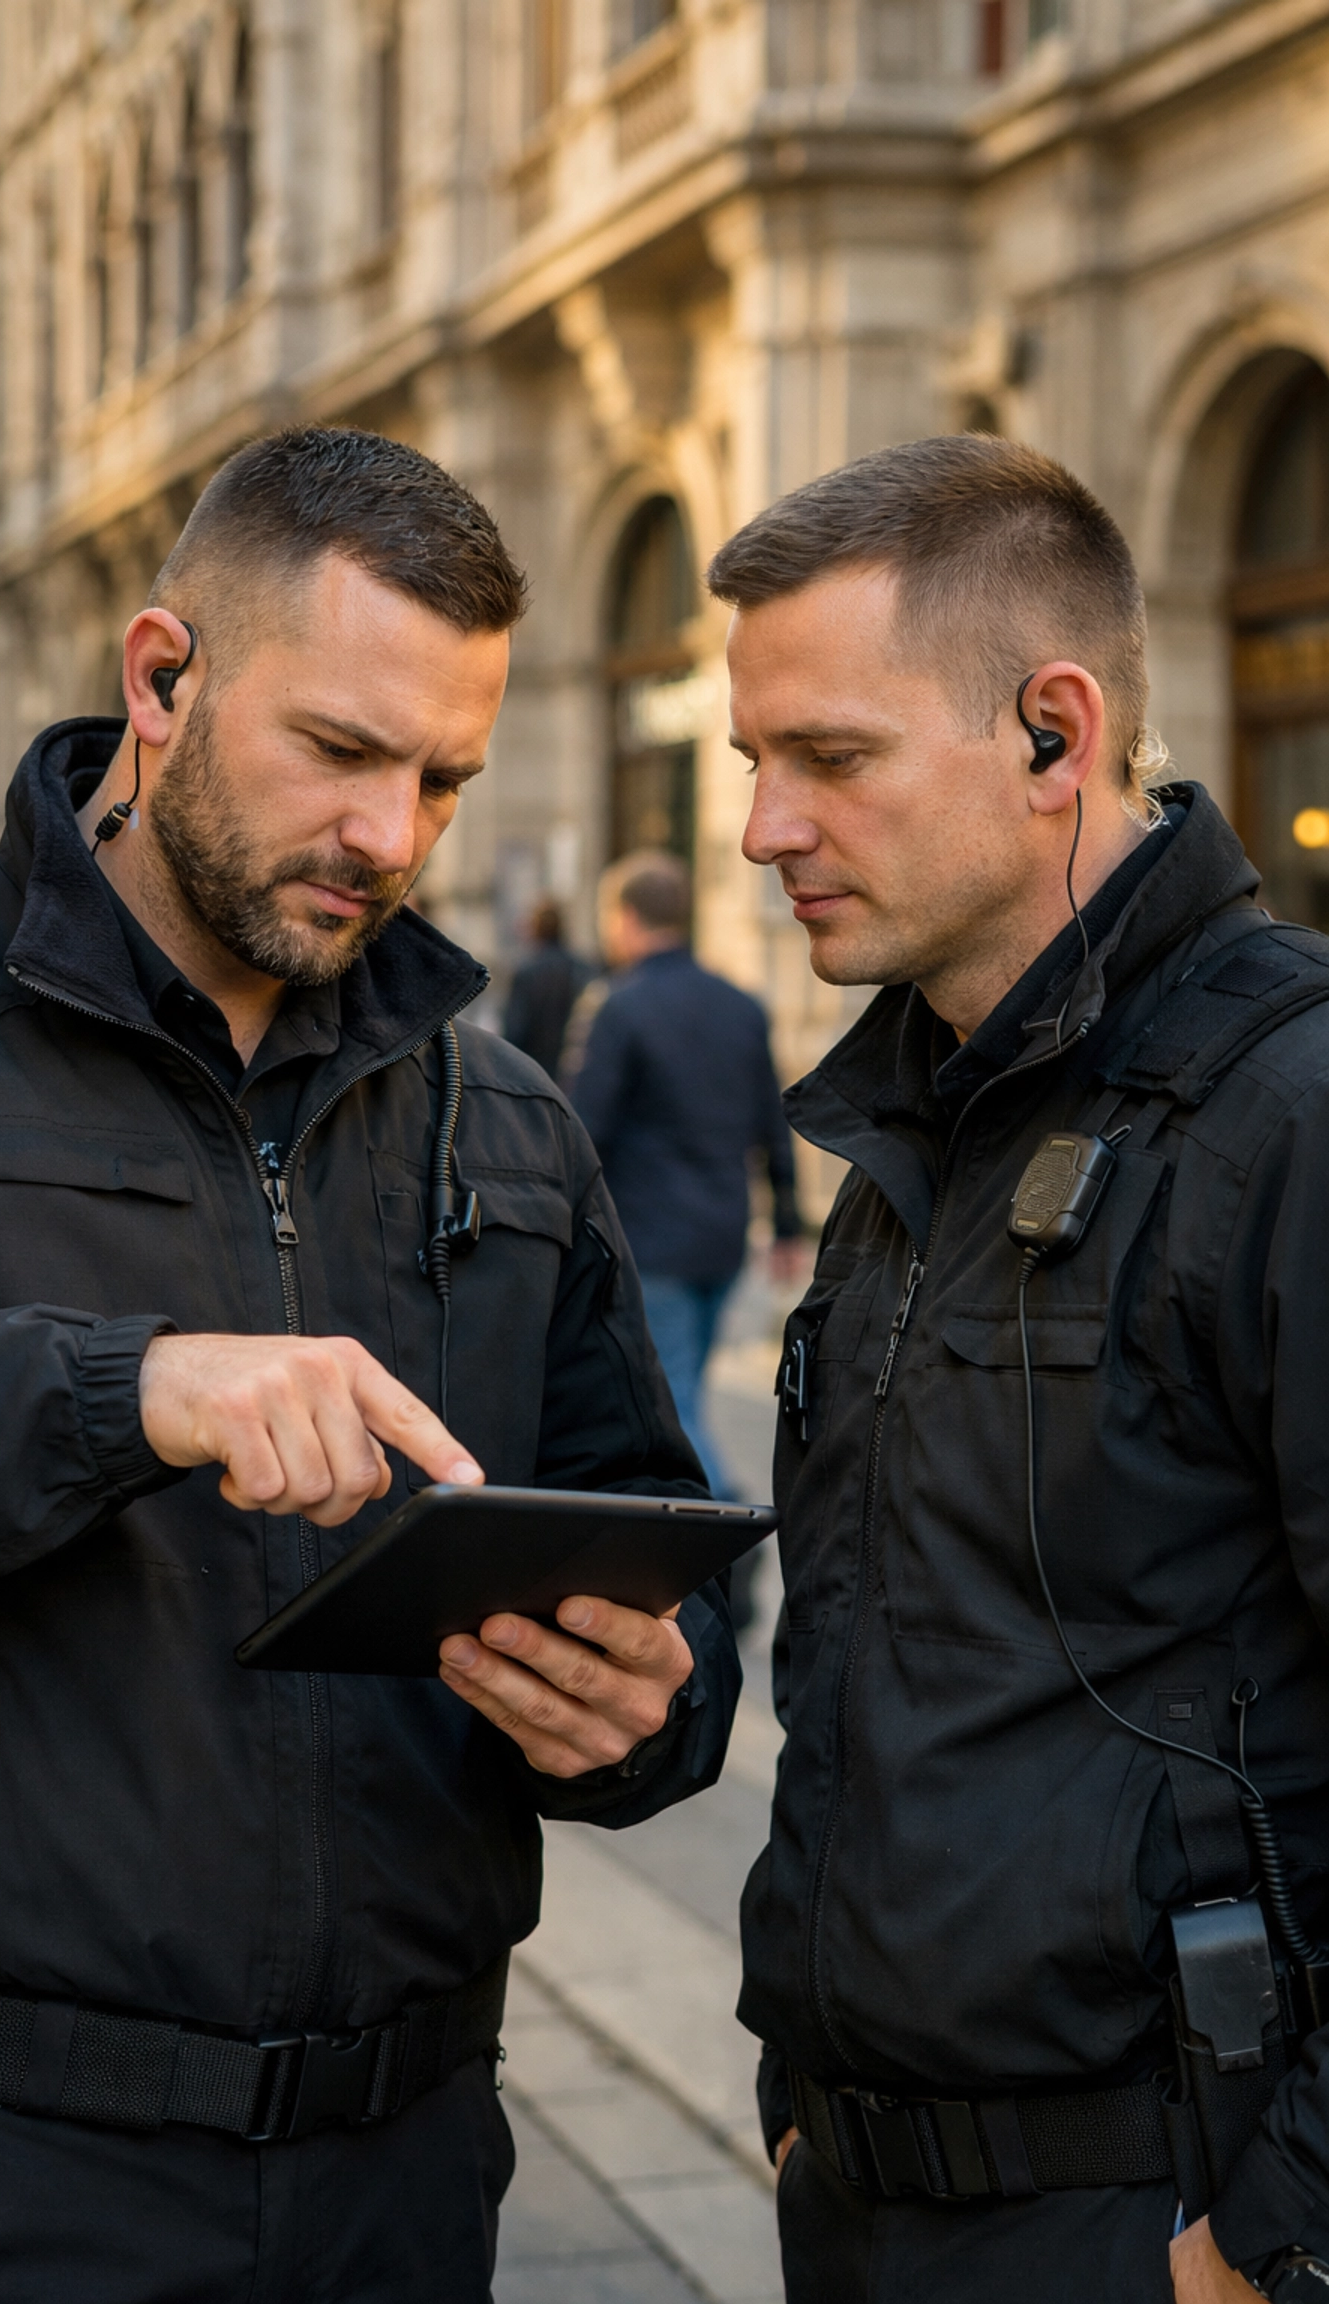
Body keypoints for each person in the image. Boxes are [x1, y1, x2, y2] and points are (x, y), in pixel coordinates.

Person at [0, 426, 740, 2303]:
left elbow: (661, 1554)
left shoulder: (512, 1111)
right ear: (163, 678)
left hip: (405, 2176)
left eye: (444, 781)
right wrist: (113, 1389)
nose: (391, 836)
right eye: (341, 750)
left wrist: (647, 1703)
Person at [712, 432, 1329, 2304]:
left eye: (831, 756)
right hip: (878, 2196)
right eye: (756, 762)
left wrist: (1271, 2227)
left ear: (1054, 734)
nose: (765, 827)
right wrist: (806, 2091)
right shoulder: (925, 1120)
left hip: (1151, 2211)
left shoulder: (1287, 1109)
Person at [567, 849, 803, 1507]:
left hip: (652, 1234)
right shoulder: (741, 1005)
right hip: (724, 1234)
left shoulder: (618, 1007)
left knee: (671, 1397)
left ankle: (723, 1515)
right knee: (686, 1384)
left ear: (625, 917)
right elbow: (772, 1118)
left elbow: (583, 1130)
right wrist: (785, 1222)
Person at [502, 896, 591, 1080]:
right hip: (572, 1071)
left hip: (535, 1071)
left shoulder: (526, 971)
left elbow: (515, 1030)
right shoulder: (581, 967)